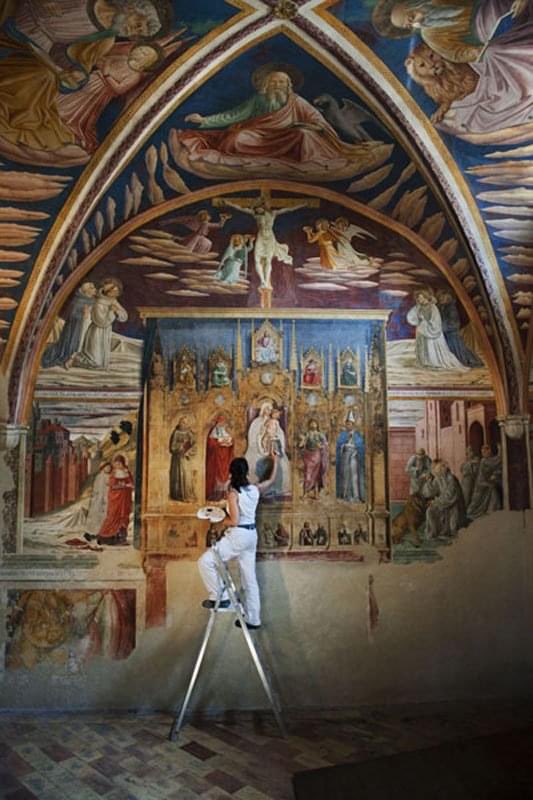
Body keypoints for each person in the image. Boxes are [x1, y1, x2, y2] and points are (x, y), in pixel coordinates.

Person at [174, 69, 386, 179]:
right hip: (259, 135)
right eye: (274, 81)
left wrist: (311, 127)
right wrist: (204, 120)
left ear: (288, 85)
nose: (278, 84)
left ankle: (301, 162)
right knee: (237, 138)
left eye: (282, 82)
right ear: (266, 84)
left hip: (289, 136)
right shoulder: (259, 100)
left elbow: (317, 120)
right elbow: (234, 114)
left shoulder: (297, 101)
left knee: (304, 136)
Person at [198, 455, 279, 630]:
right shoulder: (254, 489)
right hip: (251, 536)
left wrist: (218, 520)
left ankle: (222, 596)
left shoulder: (233, 493)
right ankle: (253, 618)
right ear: (246, 472)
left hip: (238, 535)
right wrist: (276, 460)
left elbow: (234, 520)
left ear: (231, 473)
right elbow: (271, 480)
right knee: (250, 579)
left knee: (206, 561)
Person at [222, 197, 307, 290]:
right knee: (257, 259)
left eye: (260, 207)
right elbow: (240, 208)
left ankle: (266, 281)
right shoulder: (256, 215)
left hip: (270, 238)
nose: (258, 209)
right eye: (257, 208)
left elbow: (288, 209)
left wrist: (302, 205)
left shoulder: (273, 213)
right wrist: (229, 203)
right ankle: (262, 281)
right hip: (261, 238)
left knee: (267, 260)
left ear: (264, 206)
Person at [73, 278, 128, 370]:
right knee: (94, 361)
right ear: (107, 291)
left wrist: (118, 312)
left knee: (101, 363)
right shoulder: (98, 302)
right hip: (96, 332)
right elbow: (101, 321)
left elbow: (124, 316)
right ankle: (75, 359)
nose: (116, 294)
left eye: (117, 292)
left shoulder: (112, 300)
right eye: (114, 292)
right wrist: (111, 312)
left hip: (105, 332)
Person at [406, 289, 467, 370]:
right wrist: (418, 321)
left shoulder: (433, 307)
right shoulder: (418, 307)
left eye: (420, 298)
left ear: (425, 297)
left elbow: (436, 321)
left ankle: (433, 362)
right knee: (423, 347)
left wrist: (425, 323)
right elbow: (410, 316)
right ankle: (425, 362)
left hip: (432, 332)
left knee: (430, 346)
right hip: (422, 331)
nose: (419, 300)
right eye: (418, 298)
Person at [41, 282, 96, 368]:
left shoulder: (93, 301)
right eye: (92, 288)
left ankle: (74, 359)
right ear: (86, 291)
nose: (95, 290)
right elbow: (73, 315)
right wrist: (83, 315)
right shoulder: (78, 300)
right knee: (73, 342)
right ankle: (68, 358)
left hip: (87, 325)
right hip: (75, 327)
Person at [422, 459, 467, 539]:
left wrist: (435, 501)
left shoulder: (451, 479)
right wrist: (428, 481)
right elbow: (430, 493)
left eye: (436, 468)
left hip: (453, 506)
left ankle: (448, 531)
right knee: (430, 511)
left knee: (451, 525)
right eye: (434, 469)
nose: (435, 471)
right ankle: (434, 532)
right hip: (442, 504)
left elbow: (450, 496)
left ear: (443, 468)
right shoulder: (438, 478)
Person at [94, 454, 134, 545]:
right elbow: (112, 486)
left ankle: (121, 539)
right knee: (113, 517)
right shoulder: (114, 474)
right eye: (116, 463)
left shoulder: (127, 472)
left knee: (123, 518)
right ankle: (105, 537)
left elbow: (131, 483)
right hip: (115, 499)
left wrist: (129, 485)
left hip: (125, 500)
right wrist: (123, 486)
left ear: (123, 463)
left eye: (119, 463)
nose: (118, 465)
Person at [467, 444, 502, 519]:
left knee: (492, 491)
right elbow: (496, 461)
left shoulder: (487, 460)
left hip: (485, 482)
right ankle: (470, 513)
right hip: (481, 483)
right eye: (483, 452)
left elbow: (495, 463)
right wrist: (500, 451)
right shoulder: (484, 461)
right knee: (476, 500)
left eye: (486, 451)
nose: (485, 453)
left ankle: (493, 509)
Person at [205, 416, 234, 501]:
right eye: (221, 423)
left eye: (223, 423)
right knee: (216, 475)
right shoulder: (213, 432)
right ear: (217, 423)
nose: (222, 424)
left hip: (225, 458)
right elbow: (211, 444)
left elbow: (230, 441)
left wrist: (230, 443)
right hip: (216, 458)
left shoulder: (224, 431)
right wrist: (218, 443)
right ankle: (216, 494)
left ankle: (224, 493)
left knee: (226, 475)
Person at [336, 420, 365, 502]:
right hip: (345, 457)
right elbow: (339, 445)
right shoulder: (342, 435)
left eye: (349, 424)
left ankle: (356, 496)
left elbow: (360, 445)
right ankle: (346, 496)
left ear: (353, 425)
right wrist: (343, 446)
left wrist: (355, 449)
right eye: (347, 424)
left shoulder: (357, 435)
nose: (348, 426)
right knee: (345, 476)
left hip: (354, 457)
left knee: (354, 476)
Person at [299, 419, 328, 499]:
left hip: (317, 455)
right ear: (309, 425)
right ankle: (305, 492)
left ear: (317, 425)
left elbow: (325, 444)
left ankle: (316, 493)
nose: (313, 425)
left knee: (316, 476)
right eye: (312, 423)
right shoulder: (307, 434)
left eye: (315, 423)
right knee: (307, 475)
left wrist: (321, 446)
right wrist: (302, 442)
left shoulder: (320, 434)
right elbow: (302, 443)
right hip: (308, 456)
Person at [169, 417, 195, 501]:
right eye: (182, 422)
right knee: (178, 475)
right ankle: (178, 495)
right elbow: (172, 447)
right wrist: (180, 447)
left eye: (185, 422)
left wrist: (188, 451)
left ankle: (187, 494)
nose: (183, 424)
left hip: (186, 458)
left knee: (187, 476)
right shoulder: (176, 433)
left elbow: (194, 444)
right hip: (177, 458)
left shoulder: (189, 433)